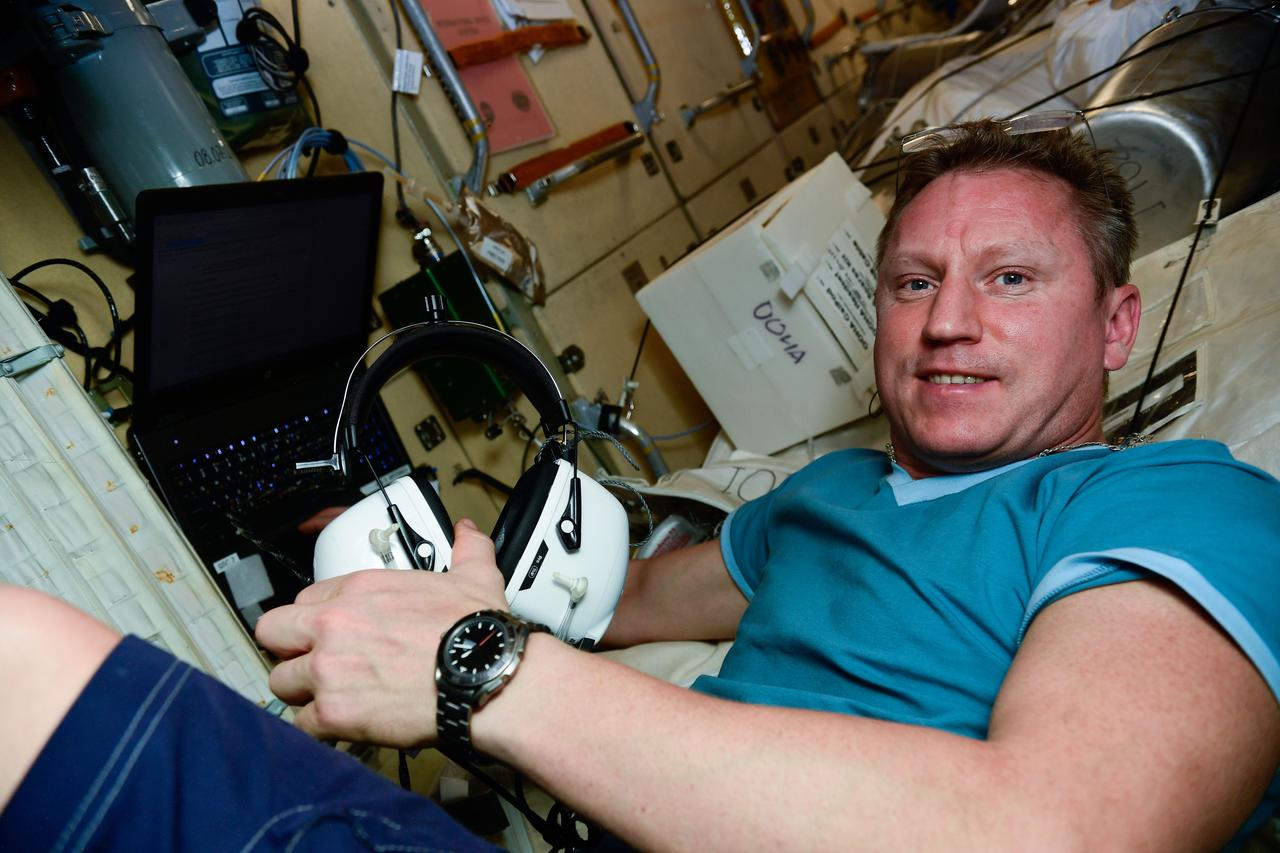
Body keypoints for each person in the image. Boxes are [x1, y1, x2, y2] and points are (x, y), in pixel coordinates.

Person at [2, 119, 1278, 851]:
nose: (947, 321)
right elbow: (592, 604)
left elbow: (1058, 835)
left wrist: (481, 670)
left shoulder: (1180, 511)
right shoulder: (824, 499)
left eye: (1009, 279)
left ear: (1116, 325)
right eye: (911, 282)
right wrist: (406, 564)